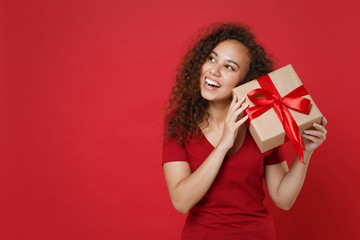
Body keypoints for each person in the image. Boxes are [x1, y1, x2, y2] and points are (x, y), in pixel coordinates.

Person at [162, 23, 327, 240]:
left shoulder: (264, 124)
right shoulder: (179, 122)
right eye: (212, 58)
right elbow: (182, 202)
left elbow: (283, 199)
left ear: (245, 81)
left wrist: (305, 152)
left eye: (229, 67)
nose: (214, 70)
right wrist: (223, 145)